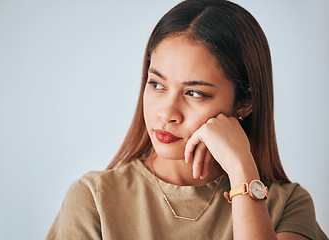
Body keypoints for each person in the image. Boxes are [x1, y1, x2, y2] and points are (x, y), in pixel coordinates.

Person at [46, 0, 328, 239]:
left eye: (194, 92)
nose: (167, 113)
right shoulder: (95, 198)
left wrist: (242, 170)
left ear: (245, 103)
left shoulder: (287, 204)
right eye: (157, 84)